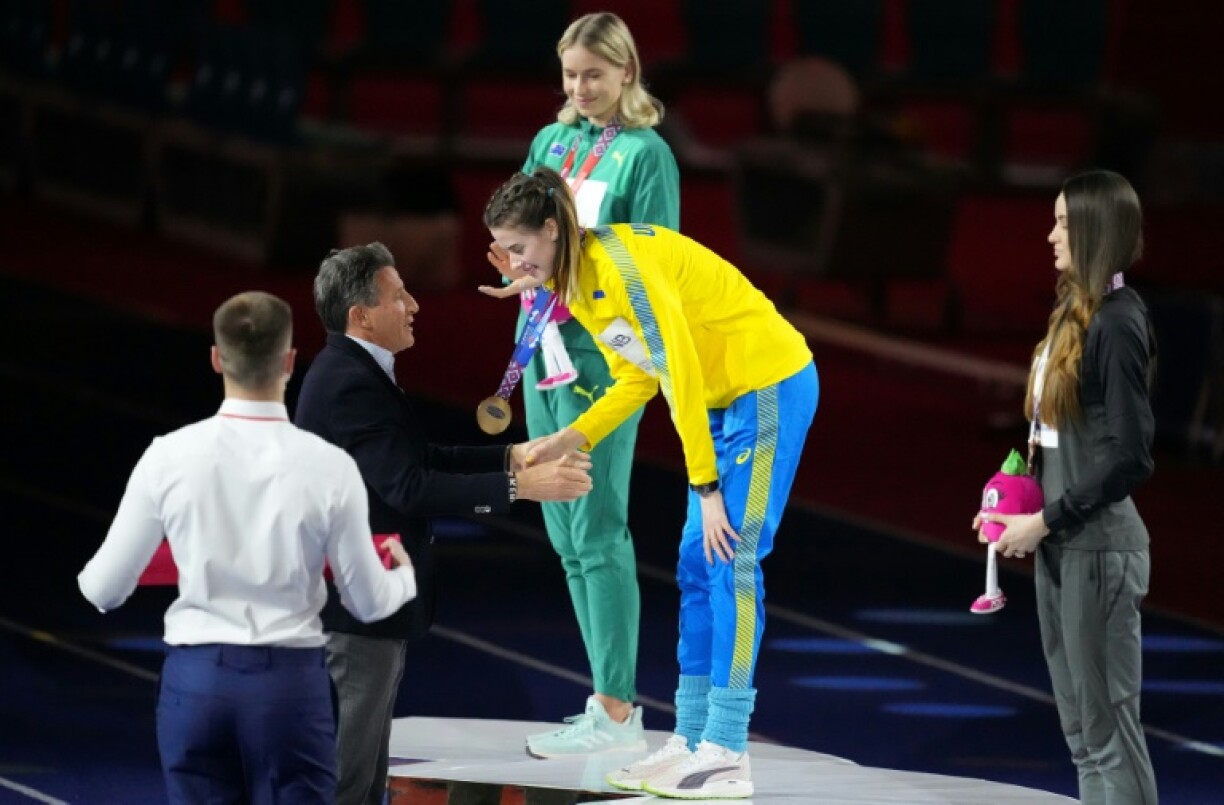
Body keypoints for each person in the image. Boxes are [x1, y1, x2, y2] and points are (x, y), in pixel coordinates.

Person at [484, 168, 819, 800]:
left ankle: (727, 749)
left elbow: (679, 375)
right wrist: (568, 437)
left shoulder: (620, 270)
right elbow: (635, 379)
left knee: (734, 561)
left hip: (766, 383)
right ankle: (691, 740)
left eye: (521, 251)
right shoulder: (577, 282)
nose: (514, 266)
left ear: (553, 232)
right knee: (695, 565)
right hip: (725, 401)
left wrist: (706, 489)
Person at [77, 291, 418, 805]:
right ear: (288, 361)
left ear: (217, 358)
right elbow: (368, 602)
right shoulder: (328, 465)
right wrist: (404, 577)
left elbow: (102, 588)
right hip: (288, 688)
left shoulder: (167, 457)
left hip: (195, 684)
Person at [294, 242, 592, 805]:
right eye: (397, 295)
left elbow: (417, 459)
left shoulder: (353, 371)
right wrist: (518, 488)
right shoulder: (350, 383)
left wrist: (511, 458)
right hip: (359, 607)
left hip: (367, 601)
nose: (414, 305)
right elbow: (410, 488)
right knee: (348, 780)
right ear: (360, 315)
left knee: (359, 771)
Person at [478, 11, 680, 759]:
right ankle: (604, 702)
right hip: (541, 350)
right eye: (569, 75)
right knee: (563, 533)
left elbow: (653, 262)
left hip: (602, 359)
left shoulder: (646, 155)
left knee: (598, 530)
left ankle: (621, 711)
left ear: (626, 72)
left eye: (594, 74)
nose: (580, 88)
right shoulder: (549, 142)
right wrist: (517, 268)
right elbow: (522, 233)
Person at [976, 169, 1158, 805]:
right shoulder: (1072, 314)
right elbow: (1051, 439)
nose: (1051, 235)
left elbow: (1132, 457)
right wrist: (1010, 500)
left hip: (1098, 551)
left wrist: (1047, 520)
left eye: (1062, 222)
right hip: (1063, 546)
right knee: (1081, 734)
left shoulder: (1117, 322)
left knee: (1109, 732)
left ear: (1095, 230)